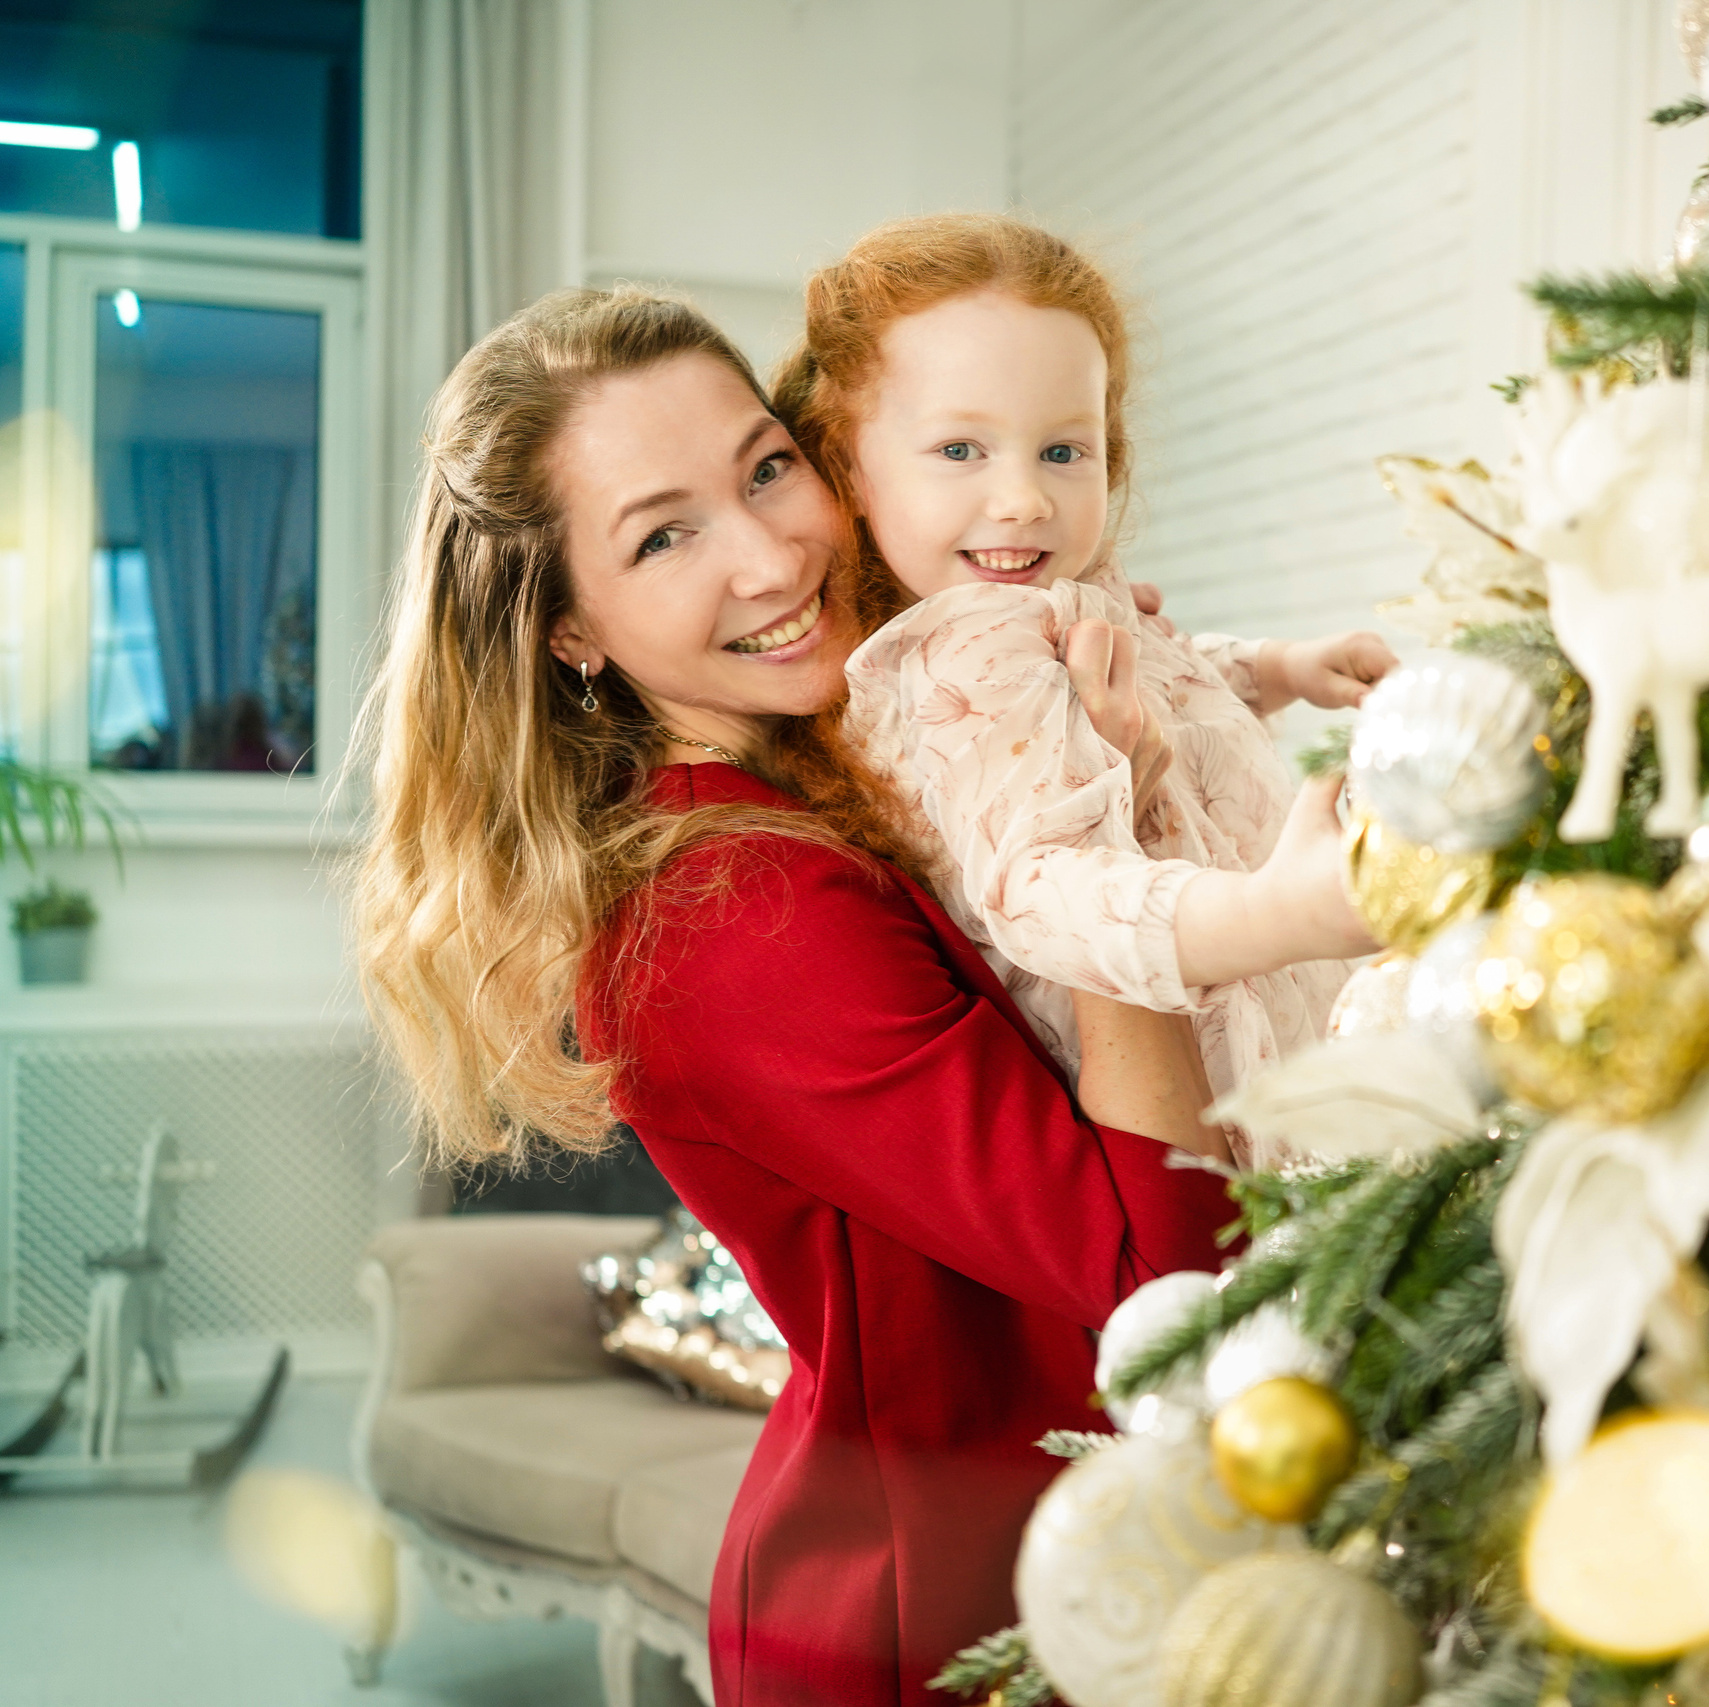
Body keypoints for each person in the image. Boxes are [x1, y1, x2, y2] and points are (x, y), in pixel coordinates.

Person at [352, 285, 1376, 1706]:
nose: (773, 554)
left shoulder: (851, 752)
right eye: (664, 534)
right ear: (569, 631)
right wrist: (1102, 825)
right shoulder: (727, 913)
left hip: (1079, 1557)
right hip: (943, 1615)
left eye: (768, 468)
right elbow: (1166, 1290)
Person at [776, 215, 1398, 1155]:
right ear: (847, 467)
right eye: (960, 451)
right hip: (1218, 1056)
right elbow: (1038, 891)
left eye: (1063, 451)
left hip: (1287, 991)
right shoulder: (968, 650)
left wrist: (1273, 667)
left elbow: (1161, 674)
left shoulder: (1052, 594)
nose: (1025, 496)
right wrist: (1282, 915)